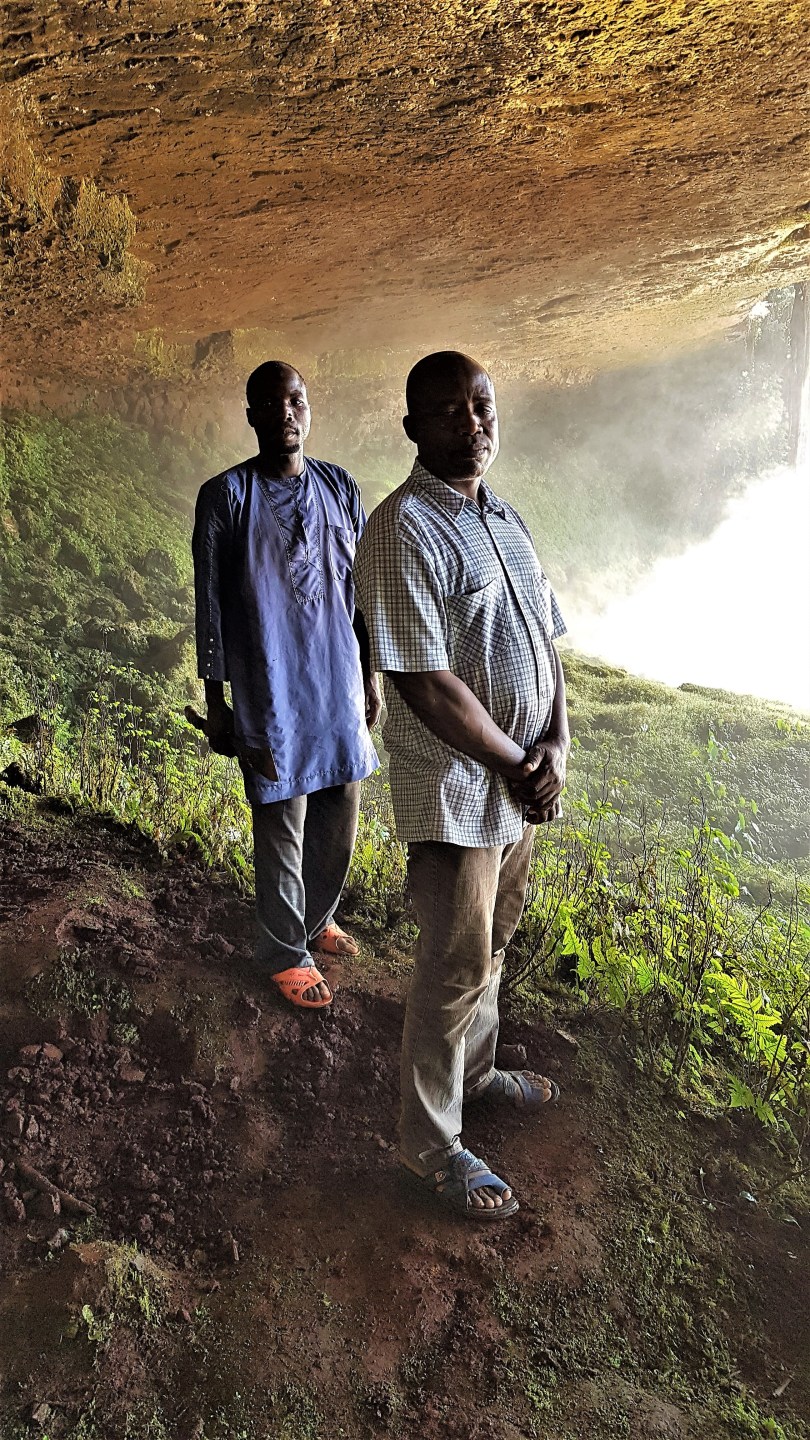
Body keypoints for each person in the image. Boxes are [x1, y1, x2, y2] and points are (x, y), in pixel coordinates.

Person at [354, 350, 569, 1219]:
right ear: (412, 427)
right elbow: (425, 683)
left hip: (517, 784)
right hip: (456, 790)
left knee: (494, 941)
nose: (471, 423)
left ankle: (475, 1076)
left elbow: (546, 642)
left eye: (481, 406)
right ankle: (429, 1148)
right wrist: (520, 762)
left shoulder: (504, 518)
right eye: (447, 411)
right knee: (452, 961)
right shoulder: (401, 528)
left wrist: (556, 742)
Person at [192, 361, 381, 1009]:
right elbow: (210, 603)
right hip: (268, 682)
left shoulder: (340, 486)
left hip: (338, 678)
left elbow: (361, 591)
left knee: (340, 805)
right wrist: (216, 701)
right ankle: (283, 951)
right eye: (269, 403)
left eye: (295, 400)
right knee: (282, 812)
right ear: (251, 415)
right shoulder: (226, 496)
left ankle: (314, 917)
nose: (284, 413)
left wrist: (371, 676)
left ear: (309, 406)